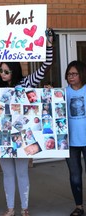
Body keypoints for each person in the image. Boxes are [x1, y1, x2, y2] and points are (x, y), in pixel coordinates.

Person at [0, 29, 53, 216]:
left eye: (6, 71)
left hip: (23, 136)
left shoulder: (27, 82)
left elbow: (47, 64)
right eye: (0, 70)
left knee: (22, 172)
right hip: (2, 136)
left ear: (14, 70)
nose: (2, 73)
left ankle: (24, 208)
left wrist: (49, 45)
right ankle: (10, 208)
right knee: (7, 174)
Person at [64, 60, 86, 216]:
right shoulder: (63, 93)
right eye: (69, 74)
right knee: (75, 175)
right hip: (70, 142)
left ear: (81, 74)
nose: (71, 77)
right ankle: (79, 206)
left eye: (74, 74)